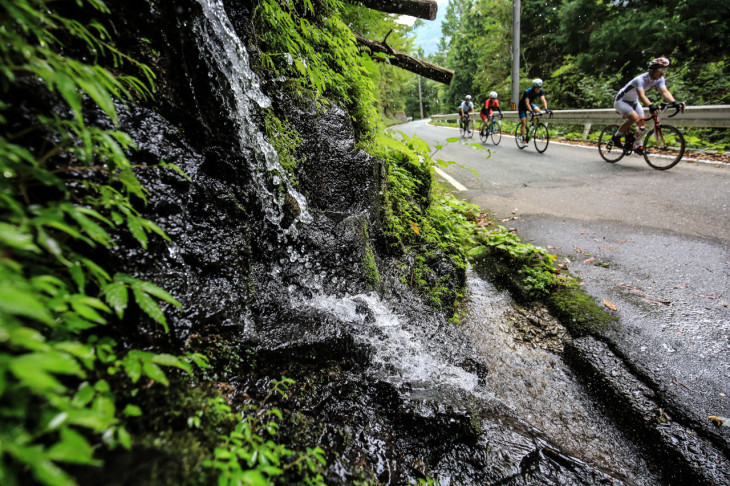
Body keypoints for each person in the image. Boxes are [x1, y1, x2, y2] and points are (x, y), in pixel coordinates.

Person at [612, 57, 683, 154]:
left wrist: (674, 102)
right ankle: (616, 137)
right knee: (634, 118)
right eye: (660, 69)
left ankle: (637, 145)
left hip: (633, 100)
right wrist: (651, 106)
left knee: (641, 124)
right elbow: (642, 95)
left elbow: (664, 92)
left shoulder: (659, 79)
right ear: (652, 70)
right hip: (621, 100)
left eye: (664, 69)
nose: (663, 72)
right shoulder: (640, 80)